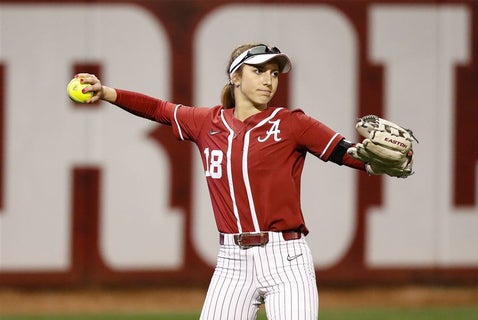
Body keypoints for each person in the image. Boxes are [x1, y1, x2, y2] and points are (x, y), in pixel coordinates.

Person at [77, 42, 412, 320]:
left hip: (287, 261)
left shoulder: (292, 123)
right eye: (259, 70)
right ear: (235, 77)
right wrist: (106, 92)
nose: (268, 80)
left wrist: (377, 164)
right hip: (232, 263)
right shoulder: (205, 122)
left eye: (274, 73)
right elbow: (160, 109)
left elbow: (347, 152)